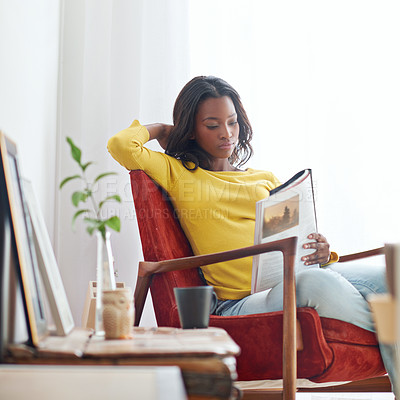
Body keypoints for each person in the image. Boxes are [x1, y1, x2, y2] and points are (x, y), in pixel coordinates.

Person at [108, 75, 397, 395]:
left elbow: (295, 235)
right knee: (316, 283)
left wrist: (321, 251)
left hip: (292, 274)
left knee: (389, 279)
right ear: (190, 129)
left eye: (232, 122)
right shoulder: (178, 173)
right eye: (212, 124)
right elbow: (121, 145)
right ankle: (392, 332)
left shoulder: (264, 178)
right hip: (242, 302)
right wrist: (162, 130)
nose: (226, 133)